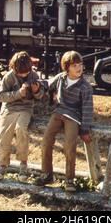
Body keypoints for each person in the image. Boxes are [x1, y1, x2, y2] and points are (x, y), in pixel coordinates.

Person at [37, 50, 93, 192]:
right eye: (74, 65)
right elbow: (47, 85)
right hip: (58, 112)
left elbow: (87, 109)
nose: (79, 68)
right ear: (66, 67)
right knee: (46, 140)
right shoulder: (61, 78)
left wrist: (85, 130)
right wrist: (37, 85)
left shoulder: (85, 87)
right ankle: (47, 174)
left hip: (73, 116)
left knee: (70, 146)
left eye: (80, 65)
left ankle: (69, 179)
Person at [0, 51, 44, 181]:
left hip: (25, 108)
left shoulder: (33, 75)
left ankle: (23, 164)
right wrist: (18, 93)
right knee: (4, 133)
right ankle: (2, 164)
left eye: (26, 72)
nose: (23, 75)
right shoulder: (9, 77)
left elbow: (41, 96)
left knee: (21, 129)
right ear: (14, 68)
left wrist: (37, 91)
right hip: (9, 108)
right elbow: (0, 96)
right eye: (20, 73)